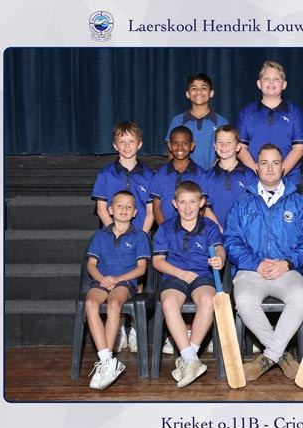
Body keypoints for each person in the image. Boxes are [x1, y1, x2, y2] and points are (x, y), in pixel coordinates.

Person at [224, 144, 303, 382]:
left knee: (300, 296)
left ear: (283, 167)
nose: (270, 168)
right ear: (256, 167)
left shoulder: (299, 203)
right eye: (264, 163)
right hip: (251, 271)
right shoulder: (242, 203)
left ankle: (268, 357)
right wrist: (255, 264)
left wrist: (288, 263)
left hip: (287, 270)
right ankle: (282, 357)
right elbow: (231, 241)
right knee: (244, 300)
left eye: (275, 163)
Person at [150, 125, 219, 354]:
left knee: (205, 298)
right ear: (169, 146)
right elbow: (156, 207)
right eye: (175, 143)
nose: (180, 147)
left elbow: (217, 245)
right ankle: (187, 351)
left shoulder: (201, 174)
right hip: (172, 241)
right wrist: (170, 230)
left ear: (193, 146)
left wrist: (219, 253)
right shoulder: (161, 173)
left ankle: (191, 344)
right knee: (171, 299)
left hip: (198, 264)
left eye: (185, 143)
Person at [152, 181, 225, 388]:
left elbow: (219, 248)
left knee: (208, 301)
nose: (187, 207)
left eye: (192, 202)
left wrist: (219, 258)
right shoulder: (166, 228)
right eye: (182, 202)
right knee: (168, 303)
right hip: (174, 275)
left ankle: (189, 357)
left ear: (201, 203)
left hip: (202, 275)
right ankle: (191, 359)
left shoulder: (209, 226)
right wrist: (180, 273)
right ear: (174, 204)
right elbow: (157, 261)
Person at [91, 121, 154, 353]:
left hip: (138, 237)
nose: (127, 146)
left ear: (139, 144)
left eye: (131, 141)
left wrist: (140, 235)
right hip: (112, 238)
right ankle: (117, 330)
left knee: (137, 281)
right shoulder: (105, 173)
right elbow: (101, 208)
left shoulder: (149, 174)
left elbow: (150, 211)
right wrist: (116, 232)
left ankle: (135, 327)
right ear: (115, 145)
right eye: (122, 141)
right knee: (112, 284)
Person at [85, 190, 151, 390]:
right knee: (90, 304)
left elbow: (141, 269)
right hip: (102, 280)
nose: (124, 209)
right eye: (119, 206)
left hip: (125, 282)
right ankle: (107, 360)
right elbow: (91, 265)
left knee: (114, 304)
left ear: (135, 213)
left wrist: (117, 279)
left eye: (129, 207)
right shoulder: (100, 235)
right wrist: (103, 280)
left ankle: (107, 363)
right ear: (110, 210)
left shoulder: (140, 236)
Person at [236, 61, 303, 189]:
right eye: (266, 79)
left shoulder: (295, 113)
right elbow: (241, 148)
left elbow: (299, 149)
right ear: (259, 84)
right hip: (254, 182)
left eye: (276, 79)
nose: (271, 82)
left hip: (289, 182)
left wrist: (278, 174)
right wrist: (258, 173)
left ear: (284, 85)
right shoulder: (246, 113)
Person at [165, 73, 229, 171]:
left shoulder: (221, 122)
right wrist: (178, 173)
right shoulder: (177, 121)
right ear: (188, 94)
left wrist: (212, 174)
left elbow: (227, 152)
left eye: (203, 88)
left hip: (213, 176)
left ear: (211, 93)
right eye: (194, 88)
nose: (199, 91)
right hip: (185, 176)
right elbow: (171, 152)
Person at [205, 125, 258, 231]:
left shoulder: (249, 175)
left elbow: (255, 208)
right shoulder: (208, 177)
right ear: (214, 145)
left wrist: (241, 233)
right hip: (217, 235)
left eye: (229, 142)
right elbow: (206, 210)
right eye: (220, 142)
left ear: (238, 147)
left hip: (243, 234)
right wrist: (221, 232)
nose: (224, 146)